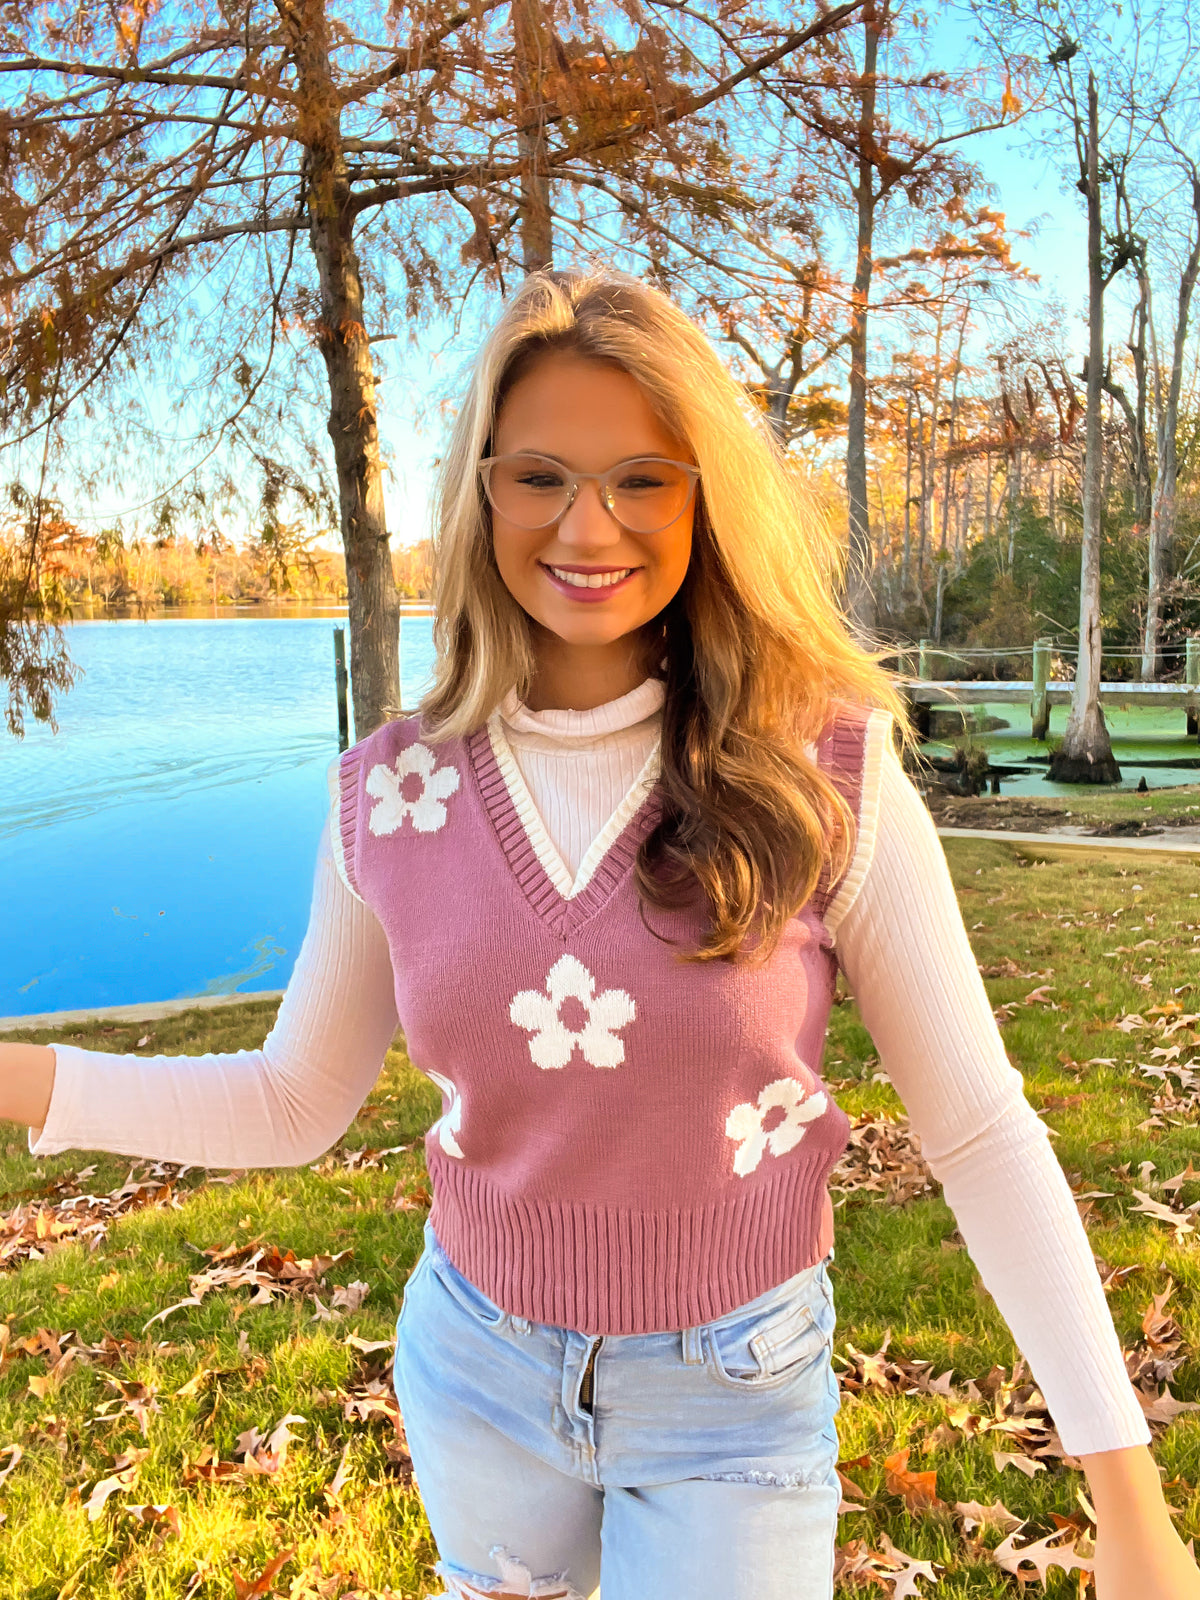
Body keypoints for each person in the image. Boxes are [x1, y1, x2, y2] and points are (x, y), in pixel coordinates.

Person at [2, 267, 1197, 1600]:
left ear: (704, 499)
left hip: (734, 1393)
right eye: (541, 476)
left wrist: (1125, 1494)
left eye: (642, 478)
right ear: (483, 494)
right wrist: (26, 1079)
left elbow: (976, 1126)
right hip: (481, 1378)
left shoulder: (825, 770)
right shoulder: (389, 794)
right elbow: (293, 1101)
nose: (590, 524)